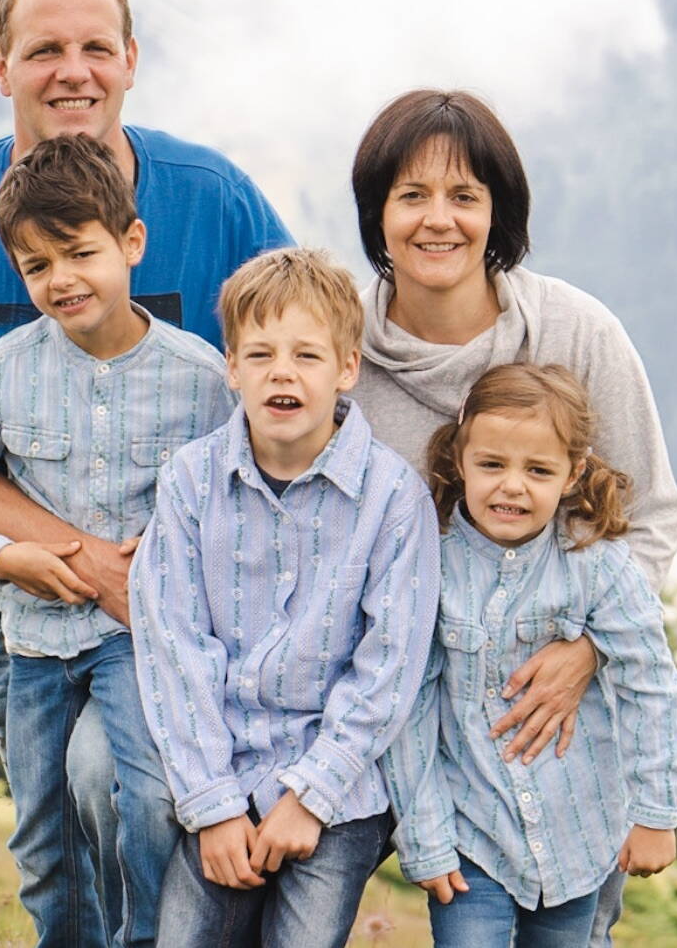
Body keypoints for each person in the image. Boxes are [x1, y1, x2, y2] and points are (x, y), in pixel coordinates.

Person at [0, 0, 293, 944]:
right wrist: (94, 568)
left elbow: (308, 362)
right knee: (56, 835)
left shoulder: (215, 197)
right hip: (37, 607)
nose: (72, 70)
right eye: (44, 51)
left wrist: (173, 583)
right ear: (1, 68)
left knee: (153, 801)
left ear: (130, 62)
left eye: (94, 49)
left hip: (199, 603)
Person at [345, 88, 677, 943]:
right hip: (395, 715)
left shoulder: (577, 332)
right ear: (376, 213)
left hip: (558, 754)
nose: (438, 220)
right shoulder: (340, 350)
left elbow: (649, 516)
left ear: (500, 213)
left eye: (465, 195)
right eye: (411, 195)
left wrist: (586, 648)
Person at [0, 134, 235, 948]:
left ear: (132, 243)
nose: (62, 280)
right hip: (34, 645)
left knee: (143, 798)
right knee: (44, 844)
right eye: (37, 266)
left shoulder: (201, 379)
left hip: (137, 642)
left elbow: (242, 506)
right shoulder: (8, 369)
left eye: (81, 252)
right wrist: (6, 559)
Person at [130, 248, 441, 948]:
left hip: (338, 788)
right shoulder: (190, 481)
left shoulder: (393, 499)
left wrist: (310, 796)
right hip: (223, 769)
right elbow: (174, 646)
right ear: (232, 367)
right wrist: (211, 805)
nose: (283, 372)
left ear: (346, 369)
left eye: (307, 355)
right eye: (262, 353)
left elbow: (390, 667)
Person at [383, 363, 677, 947]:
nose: (512, 486)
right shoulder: (430, 565)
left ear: (572, 473)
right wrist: (423, 835)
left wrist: (656, 813)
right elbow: (409, 707)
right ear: (459, 461)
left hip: (579, 836)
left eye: (538, 470)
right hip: (472, 838)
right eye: (492, 464)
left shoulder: (597, 564)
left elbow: (651, 684)